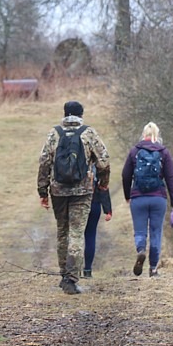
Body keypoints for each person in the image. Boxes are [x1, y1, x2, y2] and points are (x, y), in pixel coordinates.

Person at [38, 101, 110, 294]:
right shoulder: (88, 133)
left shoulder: (54, 133)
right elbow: (104, 161)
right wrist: (103, 183)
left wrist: (42, 192)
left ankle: (63, 275)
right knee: (77, 233)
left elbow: (44, 162)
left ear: (65, 114)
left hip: (58, 191)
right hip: (83, 191)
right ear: (81, 115)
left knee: (62, 232)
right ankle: (71, 278)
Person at [121, 122, 173, 278]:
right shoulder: (163, 152)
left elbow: (126, 175)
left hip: (138, 198)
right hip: (158, 198)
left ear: (143, 134)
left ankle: (141, 250)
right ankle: (153, 269)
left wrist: (128, 195)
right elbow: (171, 178)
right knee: (156, 233)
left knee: (140, 231)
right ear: (157, 135)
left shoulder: (134, 151)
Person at [82, 169, 113, 278]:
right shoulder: (97, 157)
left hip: (75, 203)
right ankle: (87, 270)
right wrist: (108, 209)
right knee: (90, 235)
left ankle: (72, 269)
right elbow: (103, 183)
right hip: (94, 202)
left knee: (73, 235)